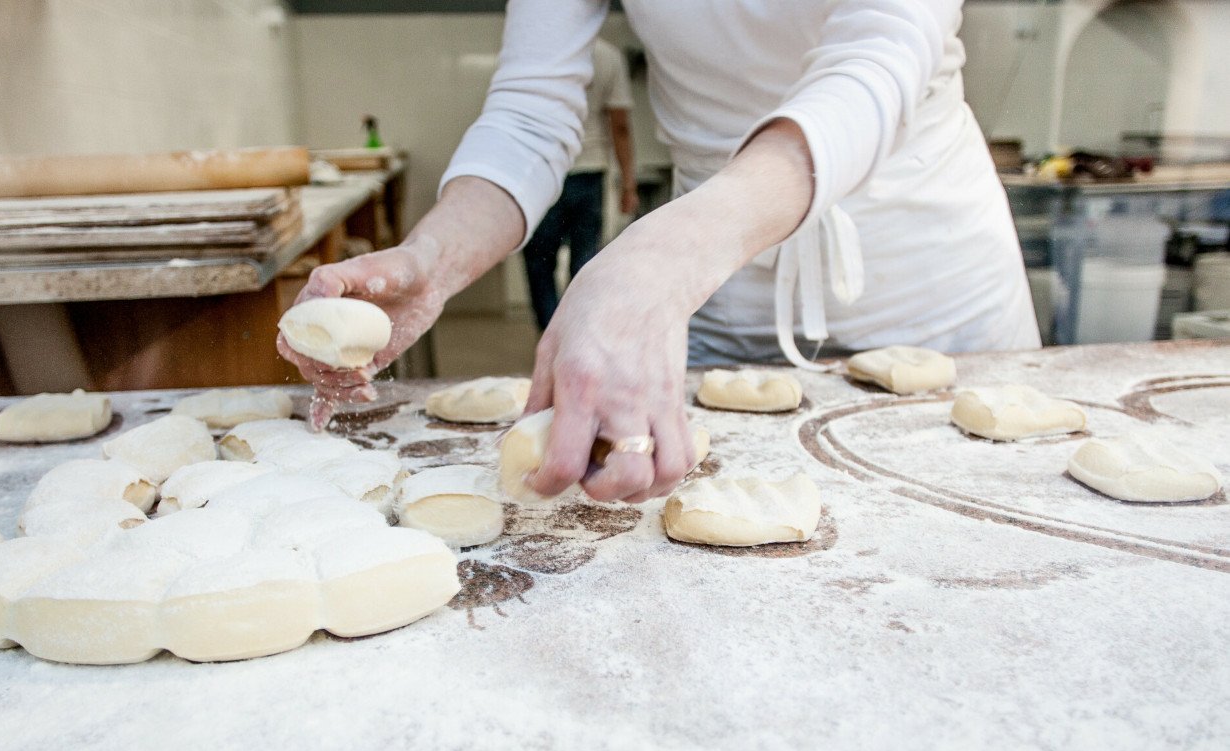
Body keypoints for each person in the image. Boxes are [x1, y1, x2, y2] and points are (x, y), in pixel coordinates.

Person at [280, 0, 1040, 507]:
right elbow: (533, 107)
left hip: (930, 282)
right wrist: (433, 259)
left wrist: (661, 261)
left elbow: (877, 66)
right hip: (711, 298)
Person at [522, 37, 638, 330]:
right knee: (584, 265)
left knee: (540, 264)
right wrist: (629, 185)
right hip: (589, 176)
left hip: (544, 175)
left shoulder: (538, 51)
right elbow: (620, 127)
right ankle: (578, 336)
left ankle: (549, 337)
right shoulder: (607, 55)